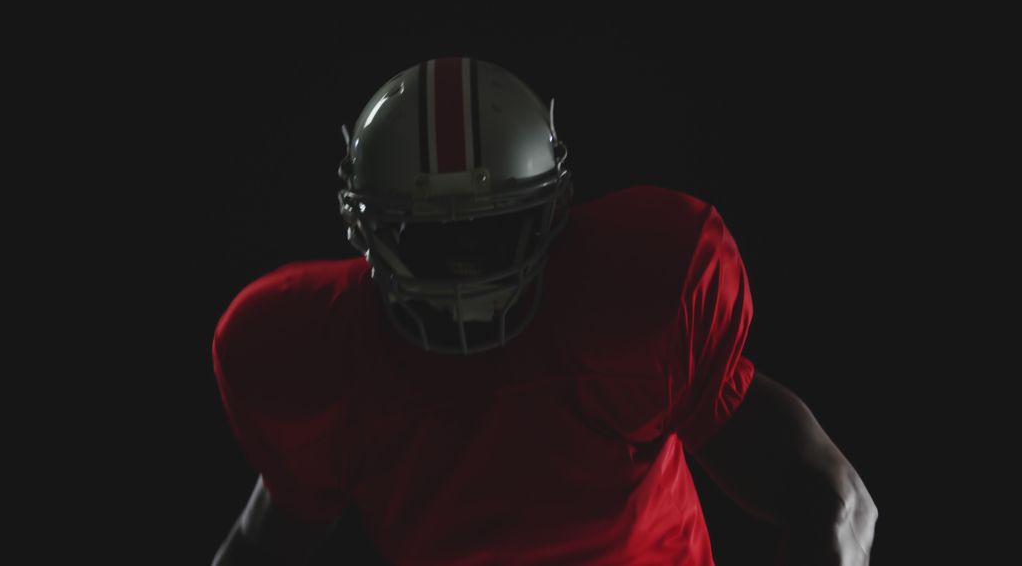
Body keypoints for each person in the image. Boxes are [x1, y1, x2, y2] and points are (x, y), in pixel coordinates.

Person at [211, 57, 877, 565]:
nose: (464, 268)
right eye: (431, 239)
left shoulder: (634, 310)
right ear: (365, 233)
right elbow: (261, 545)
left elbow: (838, 505)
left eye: (488, 233)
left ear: (556, 211)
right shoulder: (319, 353)